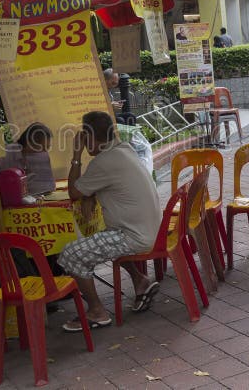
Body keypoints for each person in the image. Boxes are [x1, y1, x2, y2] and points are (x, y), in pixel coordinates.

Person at [59, 111, 161, 331]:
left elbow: (74, 192)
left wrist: (76, 155)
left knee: (70, 254)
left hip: (134, 236)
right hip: (149, 229)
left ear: (90, 137)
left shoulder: (103, 161)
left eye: (84, 137)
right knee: (105, 235)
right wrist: (90, 196)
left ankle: (97, 311)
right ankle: (140, 281)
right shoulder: (124, 148)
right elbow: (99, 187)